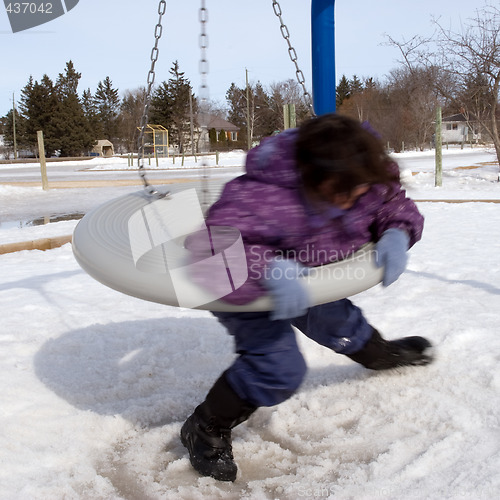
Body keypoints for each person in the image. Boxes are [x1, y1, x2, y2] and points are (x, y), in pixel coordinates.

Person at [180, 113, 433, 482]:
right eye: (341, 193)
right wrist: (269, 270)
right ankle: (205, 425)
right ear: (310, 177)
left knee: (338, 319)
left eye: (359, 191)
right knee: (278, 369)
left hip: (308, 275)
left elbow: (390, 203)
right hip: (246, 291)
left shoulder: (361, 175)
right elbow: (212, 253)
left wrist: (397, 231)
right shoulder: (261, 195)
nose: (353, 201)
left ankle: (378, 354)